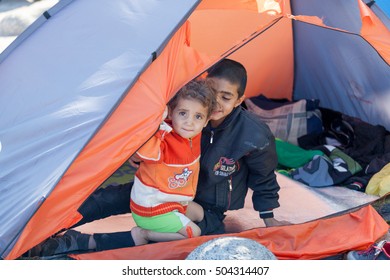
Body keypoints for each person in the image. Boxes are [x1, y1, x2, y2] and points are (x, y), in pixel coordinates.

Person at [28, 58, 287, 257]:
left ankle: (83, 242)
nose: (215, 102)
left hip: (205, 206)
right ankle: (37, 229)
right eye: (211, 91)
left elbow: (263, 177)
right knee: (108, 197)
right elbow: (151, 132)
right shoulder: (188, 111)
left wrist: (268, 217)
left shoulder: (252, 134)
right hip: (160, 187)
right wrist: (138, 156)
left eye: (226, 97)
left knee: (186, 240)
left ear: (240, 99)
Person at [129, 80, 215, 244]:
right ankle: (144, 234)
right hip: (152, 208)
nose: (189, 122)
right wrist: (157, 117)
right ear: (170, 113)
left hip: (173, 201)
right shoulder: (163, 139)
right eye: (183, 113)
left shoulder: (193, 135)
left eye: (198, 116)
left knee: (200, 214)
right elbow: (140, 148)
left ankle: (172, 225)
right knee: (194, 233)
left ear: (205, 121)